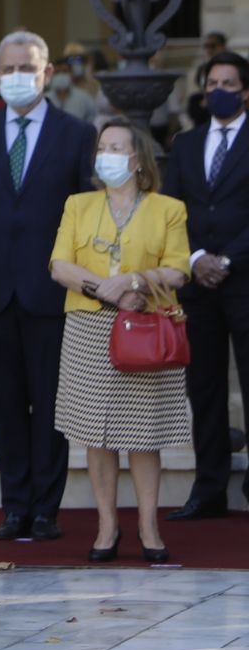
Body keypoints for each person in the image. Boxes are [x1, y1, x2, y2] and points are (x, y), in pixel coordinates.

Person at [0, 31, 96, 542]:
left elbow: (86, 218)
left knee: (51, 405)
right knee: (6, 405)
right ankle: (15, 507)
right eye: (7, 68)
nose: (16, 77)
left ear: (47, 74)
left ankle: (46, 510)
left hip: (52, 293)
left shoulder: (76, 134)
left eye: (26, 69)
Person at [49, 118, 188, 562]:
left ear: (136, 159)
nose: (106, 154)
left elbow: (179, 269)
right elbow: (59, 265)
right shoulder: (79, 204)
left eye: (116, 147)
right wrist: (101, 288)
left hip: (145, 327)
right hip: (89, 326)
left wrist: (135, 281)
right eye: (101, 147)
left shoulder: (168, 209)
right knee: (96, 433)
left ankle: (149, 526)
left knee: (144, 434)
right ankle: (107, 526)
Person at [161, 50, 249, 520]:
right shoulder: (187, 144)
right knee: (205, 387)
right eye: (213, 82)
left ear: (245, 92)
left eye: (229, 84)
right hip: (198, 286)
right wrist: (195, 259)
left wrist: (228, 259)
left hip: (244, 279)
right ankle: (209, 488)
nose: (219, 90)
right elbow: (171, 211)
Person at [47, 57, 99, 124]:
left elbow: (93, 117)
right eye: (57, 72)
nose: (61, 75)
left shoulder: (83, 98)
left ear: (71, 74)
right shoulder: (46, 98)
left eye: (65, 72)